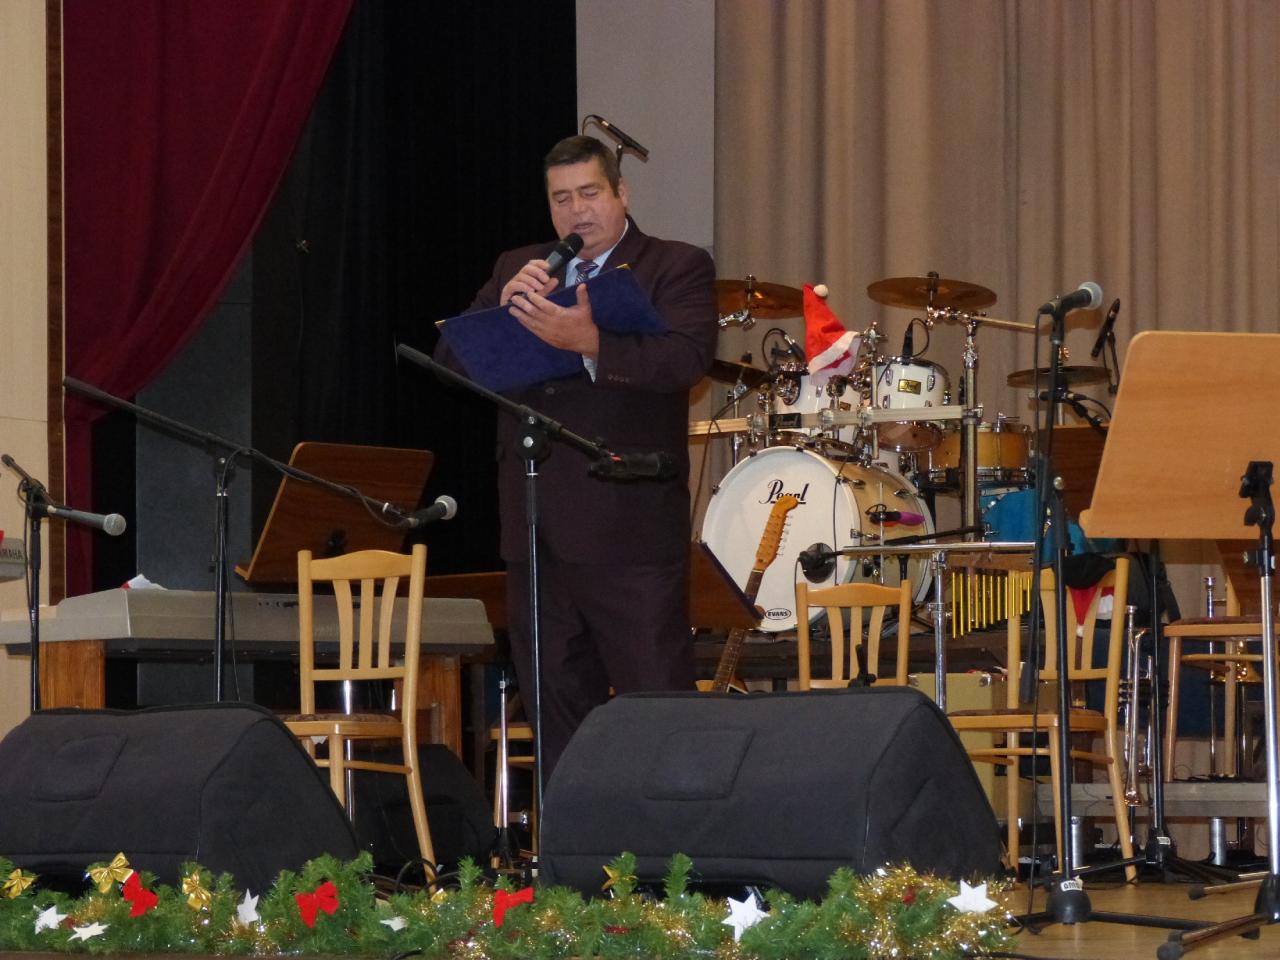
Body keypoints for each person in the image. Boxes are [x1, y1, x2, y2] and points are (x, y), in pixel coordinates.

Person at [459, 135, 717, 777]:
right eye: (562, 199)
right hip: (536, 531)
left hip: (629, 532)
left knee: (657, 712)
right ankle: (571, 841)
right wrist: (501, 311)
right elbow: (454, 361)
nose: (577, 211)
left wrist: (593, 342)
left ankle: (673, 842)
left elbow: (686, 359)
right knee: (556, 712)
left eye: (590, 193)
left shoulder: (674, 265)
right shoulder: (519, 267)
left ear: (622, 193)